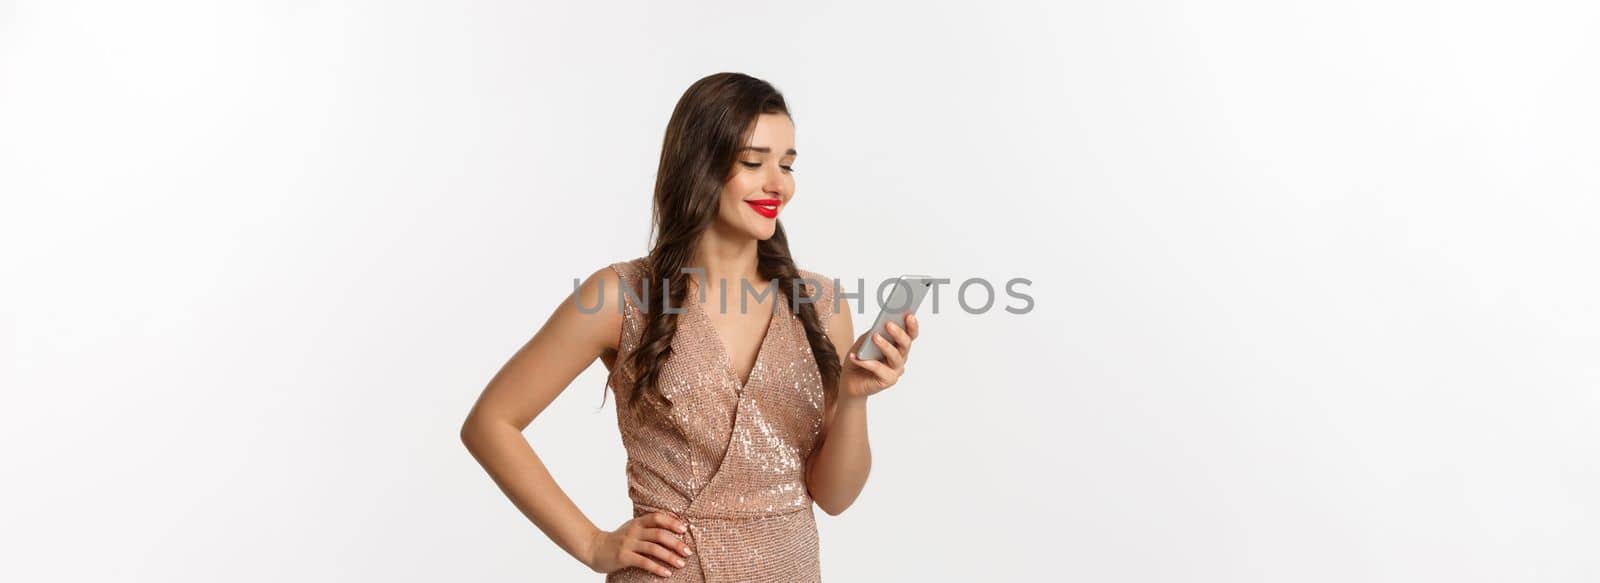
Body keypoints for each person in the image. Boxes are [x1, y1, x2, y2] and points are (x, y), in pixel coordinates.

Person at [460, 72, 920, 582]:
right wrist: (592, 544)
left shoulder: (820, 303)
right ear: (699, 165)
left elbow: (834, 497)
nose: (778, 184)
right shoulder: (619, 296)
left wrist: (854, 397)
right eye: (753, 162)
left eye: (787, 165)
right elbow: (491, 423)